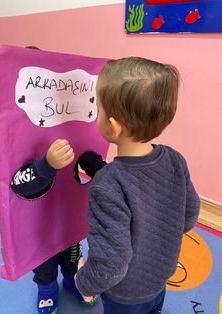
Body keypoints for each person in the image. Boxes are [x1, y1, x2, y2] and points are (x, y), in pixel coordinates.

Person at [75, 57, 200, 314]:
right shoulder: (175, 159)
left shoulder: (106, 186)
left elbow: (111, 265)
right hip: (160, 276)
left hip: (125, 294)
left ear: (113, 126)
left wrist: (83, 280)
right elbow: (188, 217)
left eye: (97, 108)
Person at [11, 139, 105, 314]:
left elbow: (86, 156)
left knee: (72, 255)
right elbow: (17, 184)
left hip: (68, 218)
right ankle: (47, 289)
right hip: (38, 225)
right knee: (43, 264)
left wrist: (100, 167)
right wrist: (47, 165)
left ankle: (73, 280)